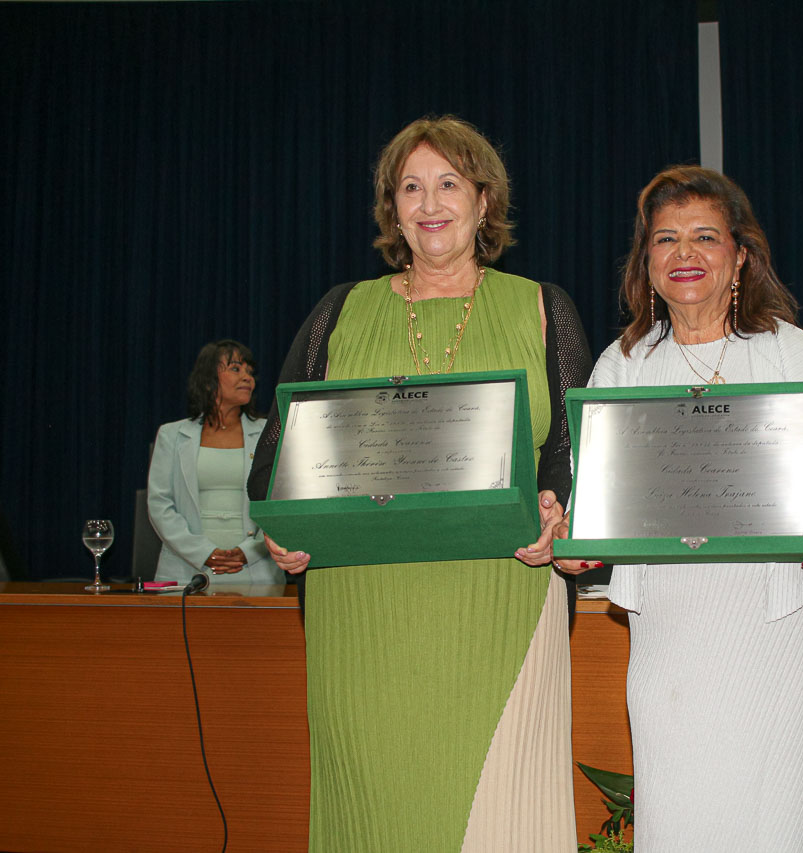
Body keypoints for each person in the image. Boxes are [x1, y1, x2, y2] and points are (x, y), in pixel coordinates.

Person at [246, 116, 591, 851]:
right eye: (411, 186)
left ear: (484, 200)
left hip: (501, 600)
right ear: (391, 207)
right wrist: (282, 529)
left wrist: (560, 508)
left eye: (448, 184)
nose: (429, 203)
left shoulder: (541, 305)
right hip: (361, 619)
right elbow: (274, 453)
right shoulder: (339, 310)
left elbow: (574, 450)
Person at [563, 166, 803, 850]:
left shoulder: (788, 351)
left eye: (705, 237)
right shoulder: (623, 364)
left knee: (783, 815)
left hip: (781, 632)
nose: (684, 254)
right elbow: (586, 489)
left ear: (740, 256)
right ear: (646, 261)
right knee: (684, 815)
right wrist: (578, 534)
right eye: (666, 239)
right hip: (674, 633)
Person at [147, 339, 281, 586]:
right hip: (185, 569)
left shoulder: (269, 434)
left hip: (256, 571)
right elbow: (160, 504)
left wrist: (249, 551)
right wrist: (203, 553)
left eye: (250, 372)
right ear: (208, 380)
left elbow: (280, 501)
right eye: (235, 368)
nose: (248, 378)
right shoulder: (172, 435)